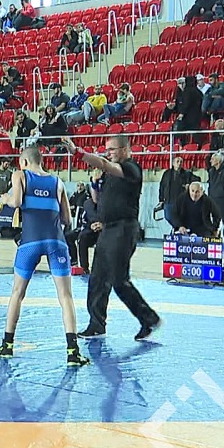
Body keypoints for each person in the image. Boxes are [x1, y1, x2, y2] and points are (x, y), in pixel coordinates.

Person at [0, 146, 88, 366]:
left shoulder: (20, 175)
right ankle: (73, 352)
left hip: (30, 242)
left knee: (17, 293)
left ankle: (7, 345)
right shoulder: (58, 182)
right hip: (56, 242)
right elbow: (67, 220)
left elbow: (16, 202)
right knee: (65, 296)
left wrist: (5, 198)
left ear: (24, 162)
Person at [62, 135, 163, 341]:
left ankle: (149, 318)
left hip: (123, 229)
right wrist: (95, 185)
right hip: (108, 229)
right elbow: (99, 200)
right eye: (107, 149)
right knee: (97, 278)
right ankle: (96, 324)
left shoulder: (131, 168)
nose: (108, 153)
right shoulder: (110, 174)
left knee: (118, 279)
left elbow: (105, 164)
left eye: (112, 149)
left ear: (125, 150)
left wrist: (77, 152)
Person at [158, 156, 196, 225]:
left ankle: (178, 228)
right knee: (168, 217)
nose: (179, 163)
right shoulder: (167, 173)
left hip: (180, 202)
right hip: (168, 201)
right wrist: (161, 199)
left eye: (181, 162)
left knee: (179, 218)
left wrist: (190, 184)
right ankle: (177, 228)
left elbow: (197, 179)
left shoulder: (187, 174)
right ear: (173, 163)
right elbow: (162, 186)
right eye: (177, 161)